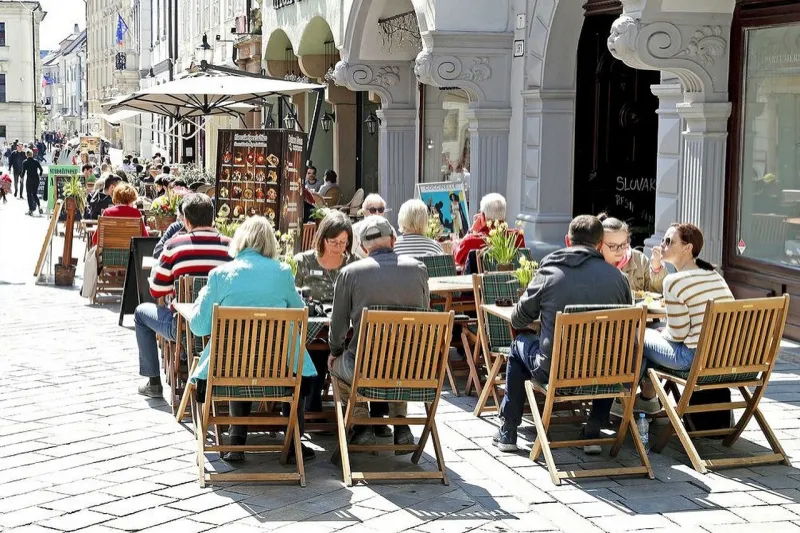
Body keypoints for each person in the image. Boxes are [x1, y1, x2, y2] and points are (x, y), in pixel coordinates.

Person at [495, 215, 632, 454]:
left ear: (567, 240)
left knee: (518, 344)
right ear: (600, 245)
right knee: (606, 356)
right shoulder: (618, 279)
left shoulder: (550, 271)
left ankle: (508, 429)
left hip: (557, 369)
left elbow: (518, 319)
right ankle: (593, 429)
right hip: (606, 371)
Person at [188, 216, 317, 463]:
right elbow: (299, 315)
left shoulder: (219, 275)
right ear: (270, 243)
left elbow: (199, 326)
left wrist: (201, 298)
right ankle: (292, 442)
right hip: (279, 374)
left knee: (240, 355)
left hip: (227, 372)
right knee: (289, 361)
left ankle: (237, 438)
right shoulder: (282, 272)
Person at [611, 223, 734, 417]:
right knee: (654, 332)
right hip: (726, 358)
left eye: (669, 241)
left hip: (692, 360)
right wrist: (664, 330)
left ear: (688, 248)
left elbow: (677, 334)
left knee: (637, 334)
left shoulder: (675, 281)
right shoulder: (713, 274)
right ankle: (647, 399)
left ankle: (622, 401)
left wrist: (664, 332)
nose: (662, 245)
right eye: (663, 240)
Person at [328, 216, 430, 447]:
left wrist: (335, 351)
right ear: (393, 240)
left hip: (364, 367)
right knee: (401, 353)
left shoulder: (351, 273)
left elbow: (338, 326)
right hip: (412, 369)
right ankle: (400, 423)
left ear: (363, 247)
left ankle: (362, 424)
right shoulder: (418, 269)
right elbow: (425, 316)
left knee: (336, 364)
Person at [135, 194, 232, 399]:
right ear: (213, 218)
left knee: (140, 314)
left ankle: (153, 382)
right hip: (224, 328)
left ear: (186, 220)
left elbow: (157, 291)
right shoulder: (231, 247)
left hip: (181, 327)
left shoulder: (175, 246)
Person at [293, 212, 355, 412]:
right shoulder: (304, 261)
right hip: (313, 324)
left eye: (343, 243)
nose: (338, 247)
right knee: (316, 348)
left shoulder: (352, 263)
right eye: (333, 242)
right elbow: (293, 295)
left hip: (343, 325)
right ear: (322, 238)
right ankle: (312, 401)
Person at [453, 193, 525, 268]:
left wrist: (471, 231)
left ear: (483, 216)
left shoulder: (470, 241)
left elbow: (457, 257)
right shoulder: (517, 237)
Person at [598, 214, 666, 293]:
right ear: (599, 244)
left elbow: (658, 294)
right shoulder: (591, 264)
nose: (620, 250)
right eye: (613, 246)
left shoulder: (640, 260)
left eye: (623, 244)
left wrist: (656, 269)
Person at [351, 194, 389, 259]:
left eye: (380, 210)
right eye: (372, 210)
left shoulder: (389, 229)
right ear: (364, 211)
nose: (377, 213)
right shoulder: (354, 230)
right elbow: (352, 253)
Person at [22, 150, 43, 216]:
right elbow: (41, 169)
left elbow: (23, 172)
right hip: (36, 179)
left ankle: (30, 210)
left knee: (28, 194)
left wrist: (21, 178)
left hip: (29, 180)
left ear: (26, 155)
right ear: (32, 154)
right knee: (34, 194)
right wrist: (40, 175)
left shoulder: (25, 162)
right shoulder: (36, 161)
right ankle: (39, 206)